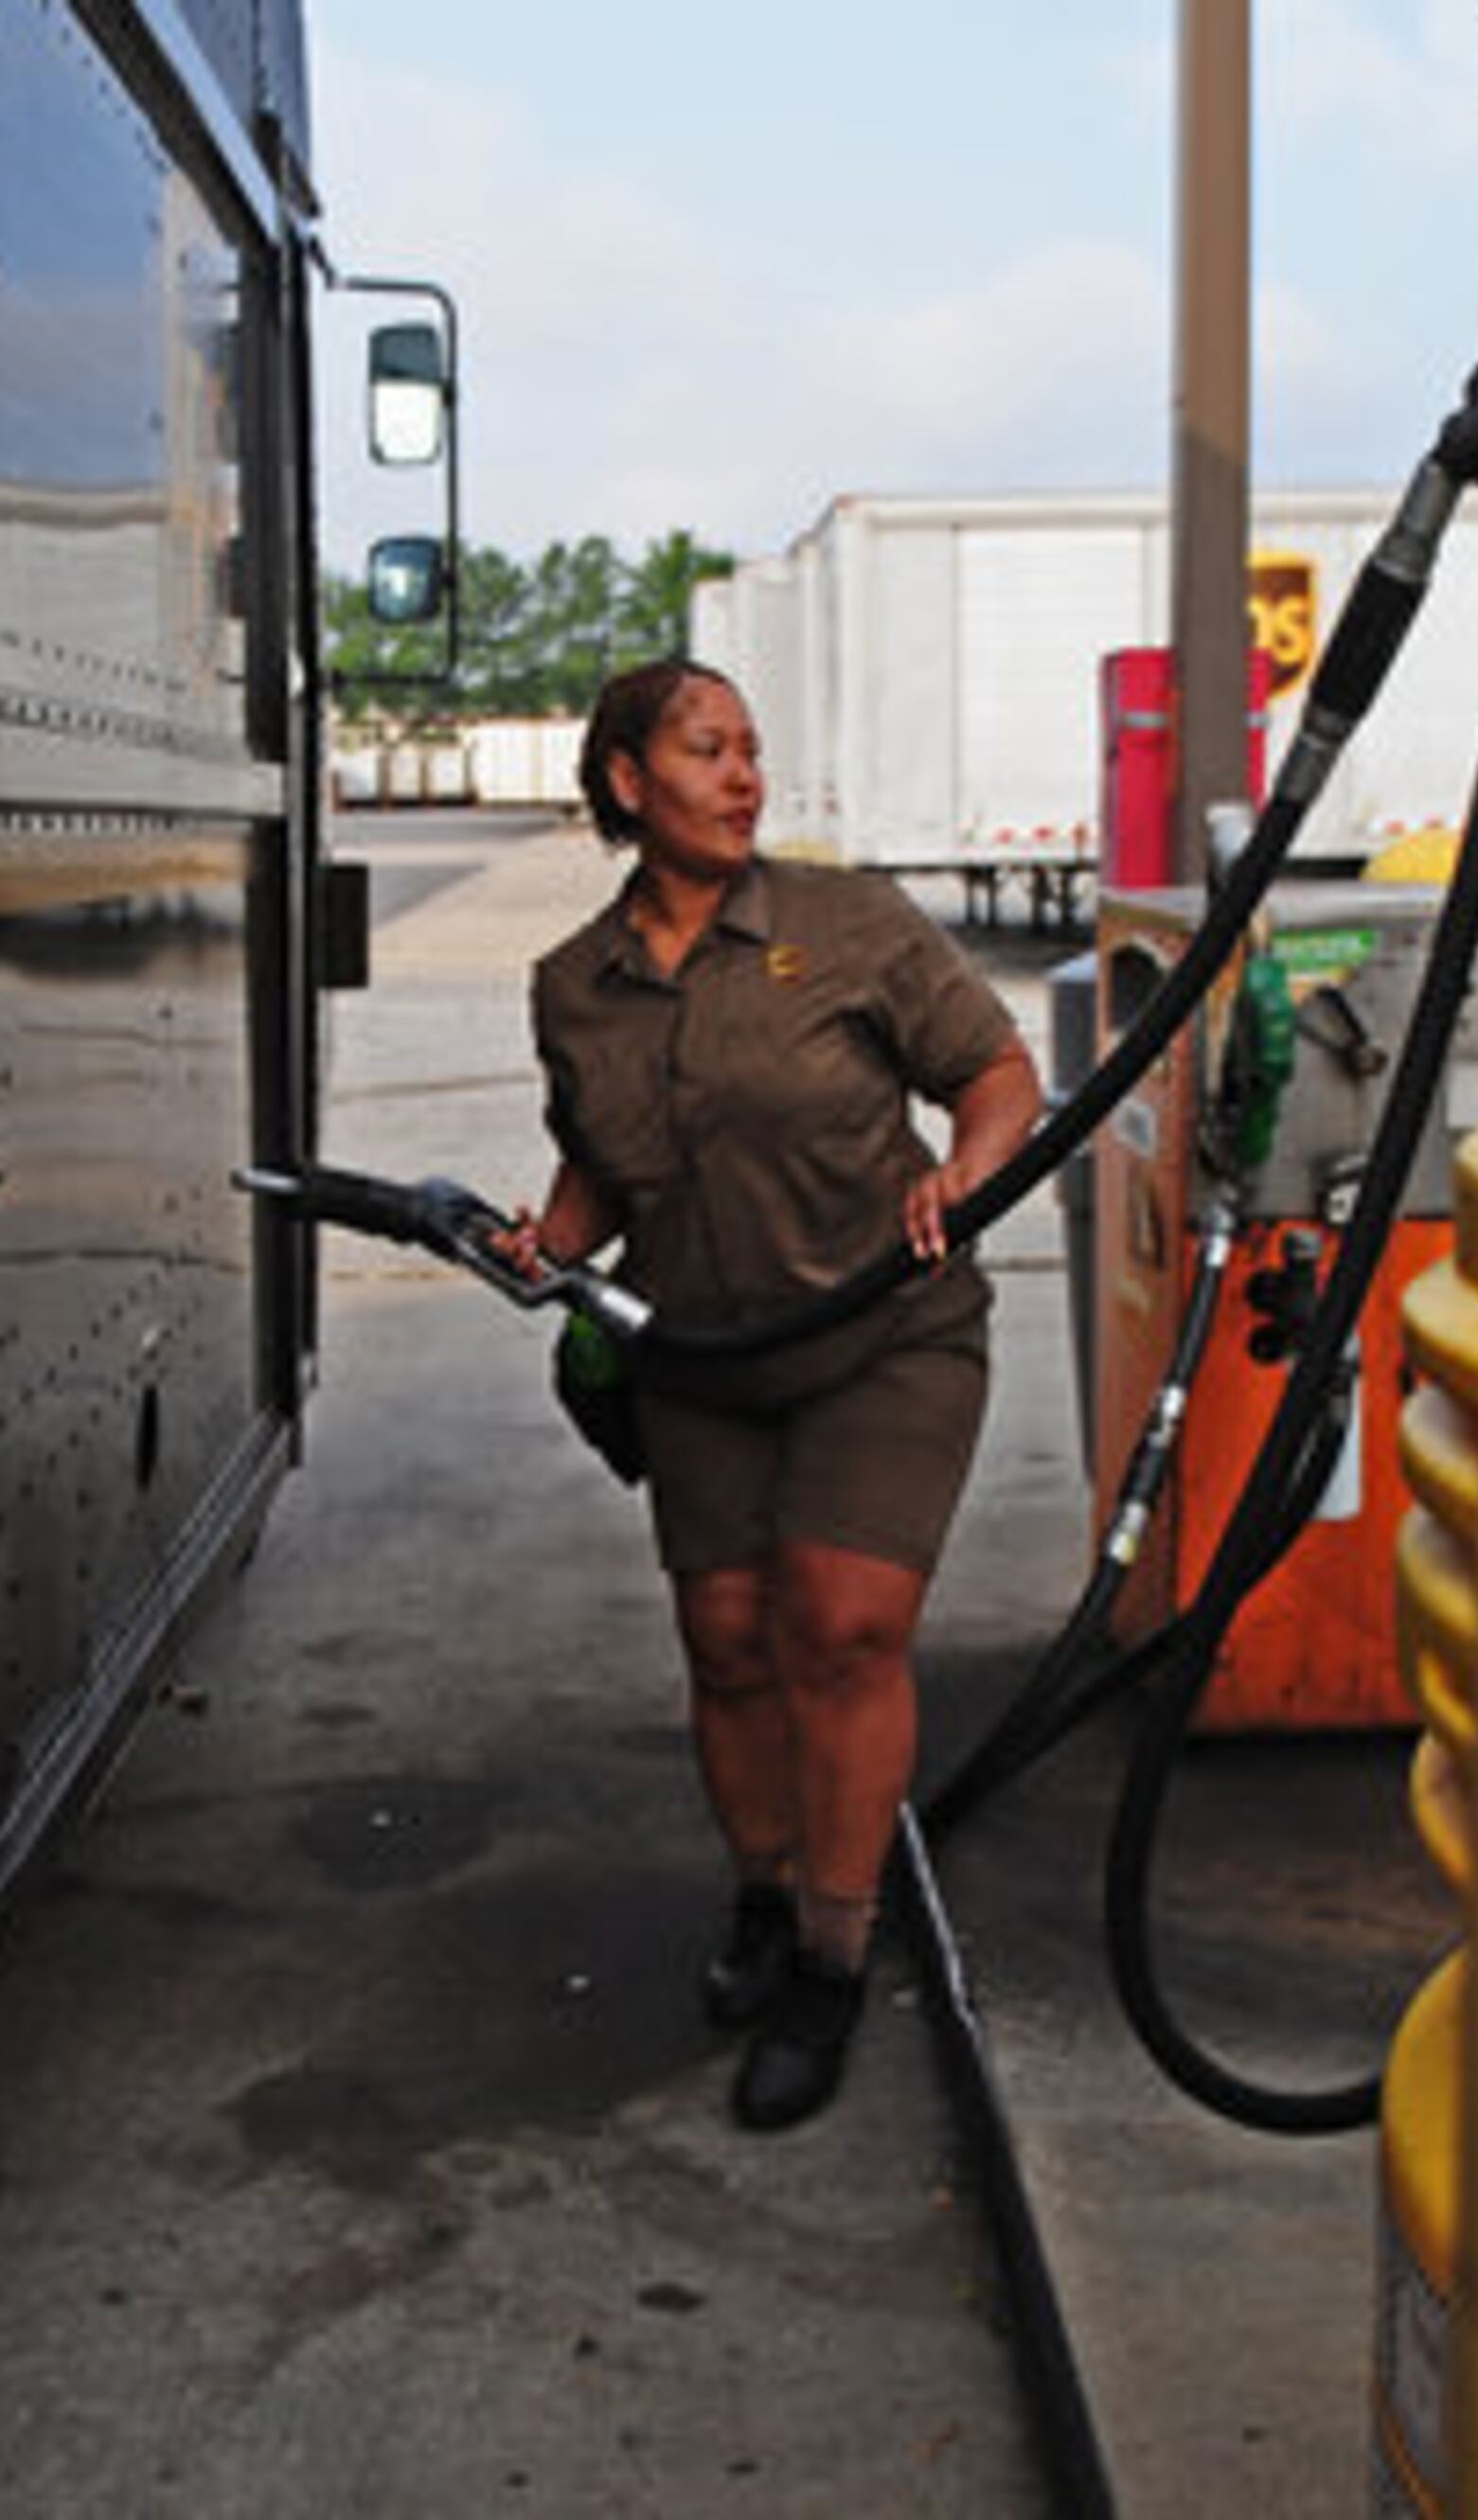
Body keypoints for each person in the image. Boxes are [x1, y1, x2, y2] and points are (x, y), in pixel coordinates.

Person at [497, 659, 1042, 2132]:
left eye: (752, 749)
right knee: (730, 1644)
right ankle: (764, 1888)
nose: (744, 776)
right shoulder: (574, 987)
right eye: (708, 749)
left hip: (887, 1339)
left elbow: (998, 1073)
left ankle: (831, 1956)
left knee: (840, 1624)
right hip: (701, 1359)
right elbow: (603, 1172)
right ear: (628, 779)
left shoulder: (847, 920)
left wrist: (966, 1170)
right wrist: (544, 1247)